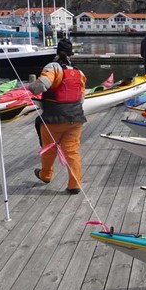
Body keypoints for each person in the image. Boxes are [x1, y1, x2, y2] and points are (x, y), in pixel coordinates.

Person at [29, 38, 87, 195]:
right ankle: (75, 184)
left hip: (54, 118)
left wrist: (30, 87)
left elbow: (41, 86)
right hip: (76, 118)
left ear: (57, 51)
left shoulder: (53, 67)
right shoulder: (79, 73)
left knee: (49, 149)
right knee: (72, 151)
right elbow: (81, 98)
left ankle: (46, 175)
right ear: (71, 54)